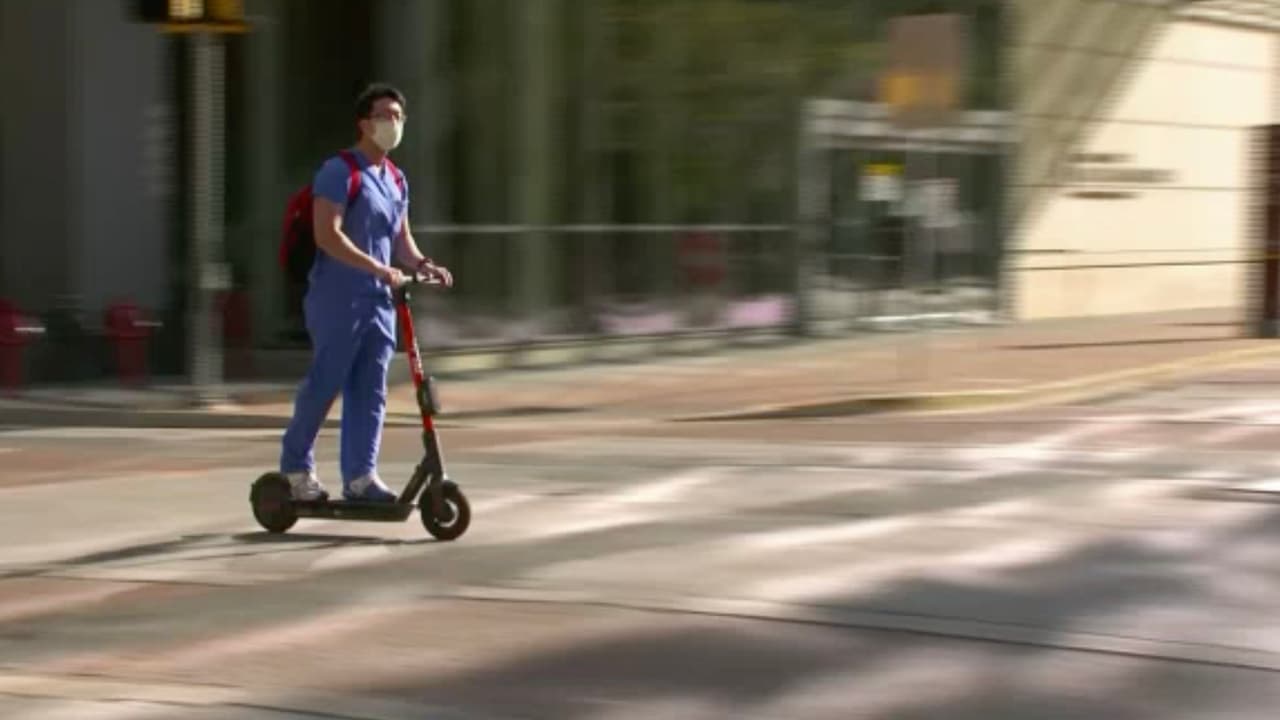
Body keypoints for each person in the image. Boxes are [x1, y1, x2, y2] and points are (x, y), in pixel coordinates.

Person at [280, 84, 452, 502]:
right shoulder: (340, 172)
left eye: (398, 117)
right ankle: (295, 469)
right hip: (339, 298)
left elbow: (401, 241)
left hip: (380, 302)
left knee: (371, 389)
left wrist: (423, 265)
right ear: (364, 124)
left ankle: (360, 477)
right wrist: (377, 268)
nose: (393, 124)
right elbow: (327, 234)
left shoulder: (395, 179)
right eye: (384, 116)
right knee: (326, 383)